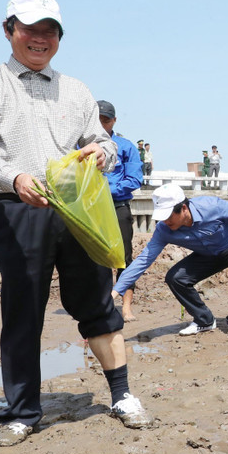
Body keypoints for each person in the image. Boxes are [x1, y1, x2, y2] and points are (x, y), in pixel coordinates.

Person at [0, 0, 152, 446]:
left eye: (49, 30)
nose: (39, 38)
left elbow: (101, 140)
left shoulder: (78, 89)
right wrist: (15, 176)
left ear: (59, 38)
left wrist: (101, 152)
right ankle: (23, 411)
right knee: (22, 311)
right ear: (9, 31)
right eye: (29, 28)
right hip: (17, 208)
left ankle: (122, 395)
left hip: (76, 211)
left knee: (97, 302)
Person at [113, 184, 228, 337]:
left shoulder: (211, 206)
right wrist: (114, 292)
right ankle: (204, 320)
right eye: (162, 217)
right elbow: (143, 261)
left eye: (168, 216)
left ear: (183, 208)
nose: (165, 222)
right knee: (175, 278)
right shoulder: (164, 230)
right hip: (207, 255)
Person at [97, 100, 143, 321]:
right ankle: (99, 304)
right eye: (97, 121)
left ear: (113, 121)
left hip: (117, 207)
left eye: (105, 121)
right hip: (91, 212)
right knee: (93, 257)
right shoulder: (79, 147)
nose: (101, 125)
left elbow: (135, 179)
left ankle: (126, 307)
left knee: (124, 258)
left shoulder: (126, 146)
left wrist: (106, 190)